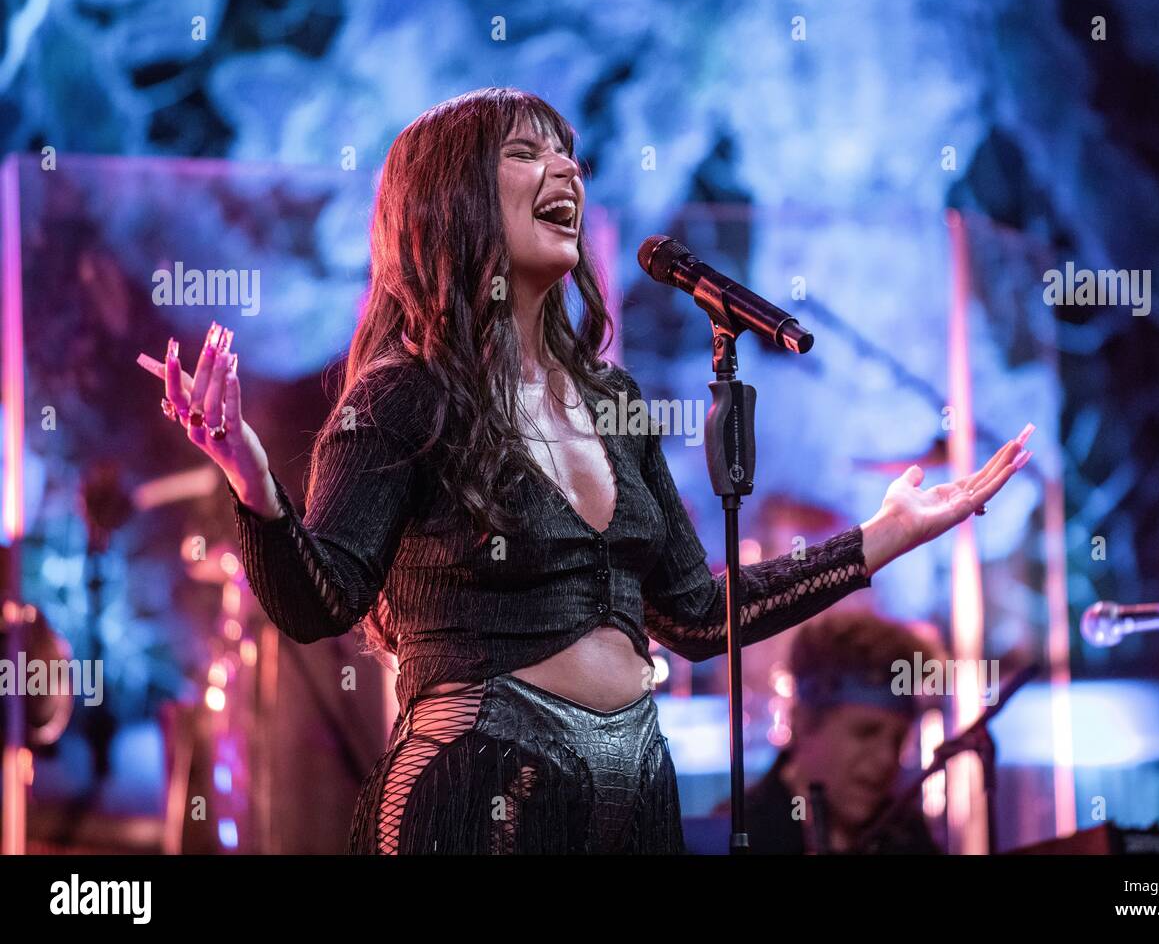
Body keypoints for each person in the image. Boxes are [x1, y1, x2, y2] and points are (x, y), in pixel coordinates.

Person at [139, 86, 1034, 854]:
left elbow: (695, 615)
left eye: (568, 154)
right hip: (479, 780)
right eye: (527, 154)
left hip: (637, 787)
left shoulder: (613, 399)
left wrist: (879, 539)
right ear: (449, 201)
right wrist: (253, 484)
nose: (566, 170)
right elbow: (318, 602)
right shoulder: (405, 395)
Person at [718, 610, 949, 854]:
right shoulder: (733, 834)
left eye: (898, 739)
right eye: (866, 732)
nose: (887, 758)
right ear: (803, 722)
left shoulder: (907, 836)